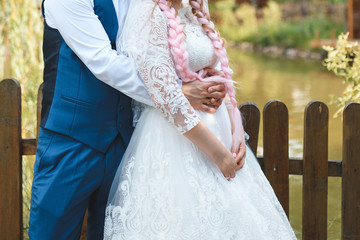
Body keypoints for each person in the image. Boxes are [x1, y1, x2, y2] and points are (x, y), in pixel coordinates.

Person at [28, 0, 227, 239]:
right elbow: (103, 61)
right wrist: (174, 92)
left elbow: (156, 51)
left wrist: (204, 73)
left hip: (128, 141)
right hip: (72, 141)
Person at [103, 0, 297, 239]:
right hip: (175, 142)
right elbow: (165, 95)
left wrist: (237, 133)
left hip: (220, 137)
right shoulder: (148, 12)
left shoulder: (194, 7)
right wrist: (217, 153)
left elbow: (221, 76)